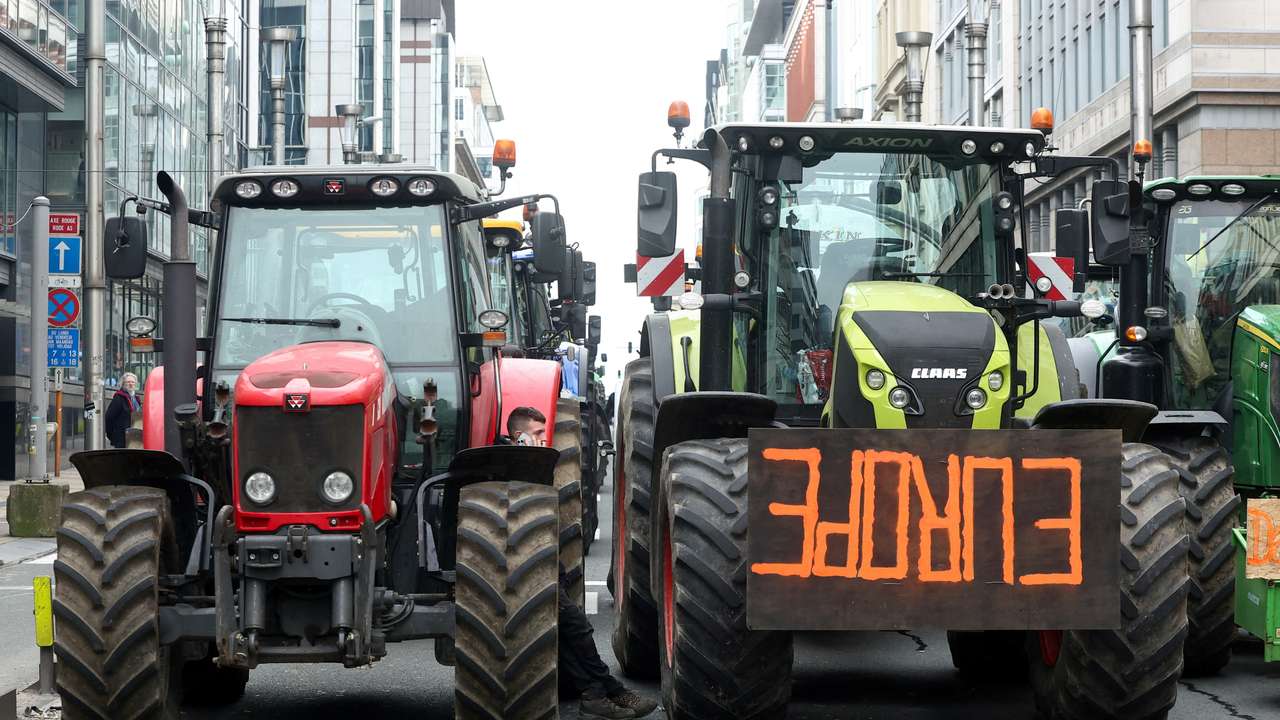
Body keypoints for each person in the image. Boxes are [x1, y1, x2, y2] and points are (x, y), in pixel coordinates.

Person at [505, 407, 658, 719]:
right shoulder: (508, 467)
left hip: (545, 568)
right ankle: (608, 690)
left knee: (571, 627)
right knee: (576, 626)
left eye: (542, 432)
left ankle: (599, 692)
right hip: (523, 572)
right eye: (535, 433)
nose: (542, 438)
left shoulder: (535, 467)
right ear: (517, 435)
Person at [105, 372, 141, 448]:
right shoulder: (119, 398)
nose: (131, 384)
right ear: (123, 384)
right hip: (122, 439)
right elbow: (109, 417)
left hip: (135, 438)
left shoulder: (136, 399)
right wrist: (112, 436)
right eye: (128, 382)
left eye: (133, 382)